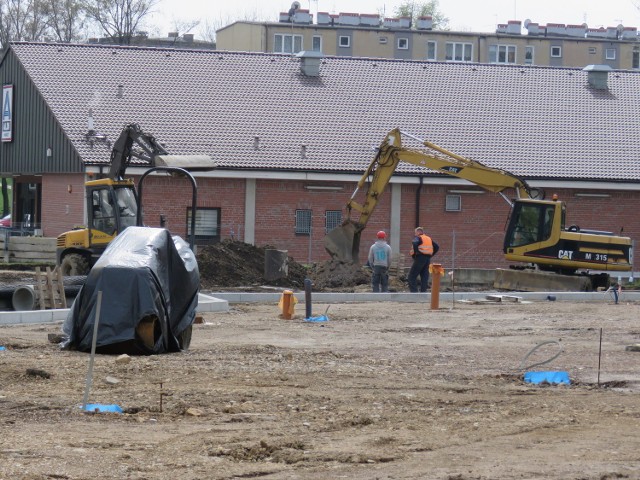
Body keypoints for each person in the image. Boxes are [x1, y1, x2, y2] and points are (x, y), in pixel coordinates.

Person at [408, 227, 439, 293]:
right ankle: (423, 292)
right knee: (424, 276)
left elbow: (414, 243)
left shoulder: (419, 237)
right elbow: (437, 247)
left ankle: (414, 293)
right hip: (427, 259)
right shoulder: (428, 238)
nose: (415, 234)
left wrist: (417, 252)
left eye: (415, 233)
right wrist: (431, 254)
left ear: (419, 232)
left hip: (420, 258)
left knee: (411, 276)